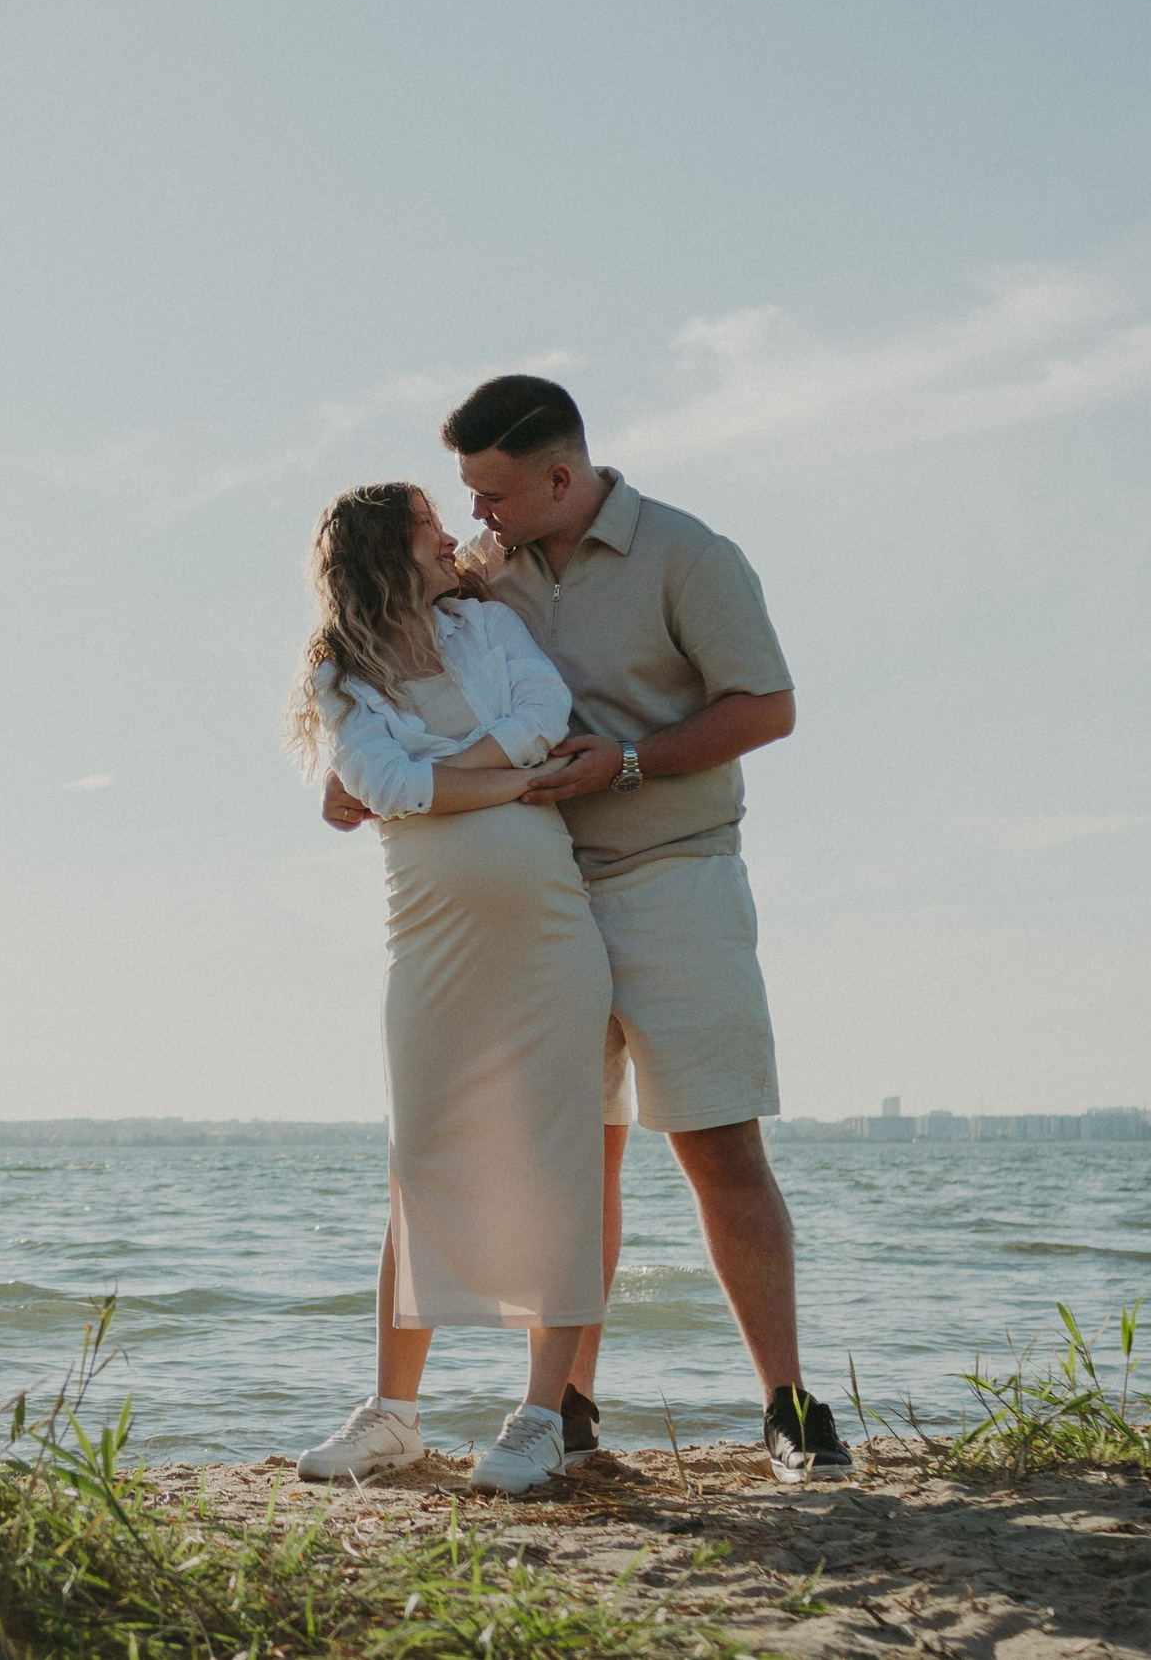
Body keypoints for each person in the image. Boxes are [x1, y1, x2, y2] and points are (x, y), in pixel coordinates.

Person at [322, 376, 853, 1484]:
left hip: (670, 875)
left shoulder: (688, 557)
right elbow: (387, 670)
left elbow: (767, 706)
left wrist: (628, 762)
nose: (474, 518)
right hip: (544, 890)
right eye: (464, 499)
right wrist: (362, 769)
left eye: (493, 495)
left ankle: (790, 1407)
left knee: (719, 1144)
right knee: (577, 1153)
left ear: (560, 479)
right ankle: (564, 1409)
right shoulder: (487, 571)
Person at [284, 480, 614, 1494]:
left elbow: (542, 715)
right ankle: (394, 1416)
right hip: (428, 940)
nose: (449, 538)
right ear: (386, 552)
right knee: (420, 1160)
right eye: (428, 527)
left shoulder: (487, 626)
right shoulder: (339, 670)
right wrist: (510, 782)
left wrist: (450, 778)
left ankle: (541, 1417)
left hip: (551, 938)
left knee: (558, 1161)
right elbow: (384, 786)